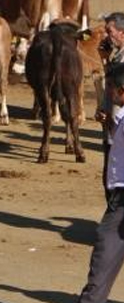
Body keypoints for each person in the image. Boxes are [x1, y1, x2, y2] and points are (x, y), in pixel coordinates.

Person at [78, 63, 124, 303]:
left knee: (105, 249)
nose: (110, 94)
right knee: (106, 248)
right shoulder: (122, 117)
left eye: (112, 90)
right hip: (119, 197)